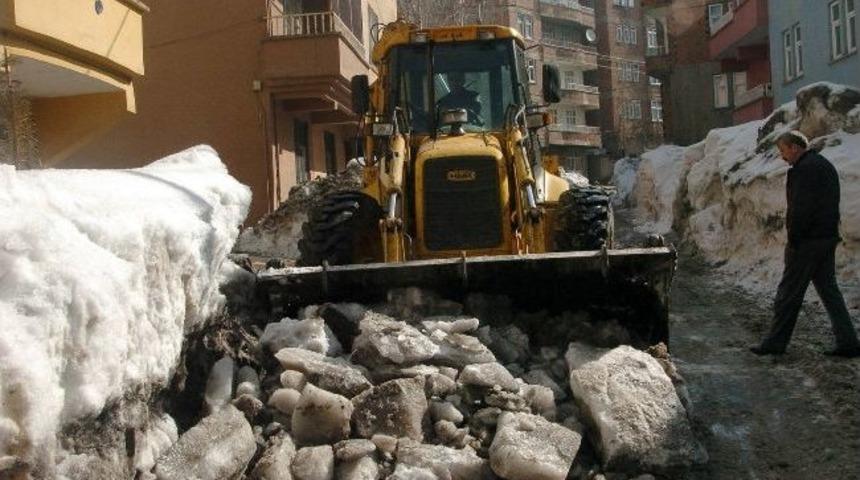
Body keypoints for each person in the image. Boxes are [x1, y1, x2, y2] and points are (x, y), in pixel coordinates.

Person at [750, 130, 860, 358]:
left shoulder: (804, 170)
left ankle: (775, 343)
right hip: (826, 237)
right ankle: (848, 342)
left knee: (789, 292)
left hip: (807, 241)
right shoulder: (822, 164)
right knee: (829, 290)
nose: (782, 157)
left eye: (783, 150)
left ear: (794, 147)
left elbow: (801, 208)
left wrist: (794, 240)